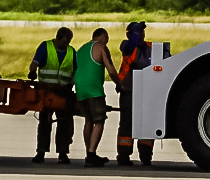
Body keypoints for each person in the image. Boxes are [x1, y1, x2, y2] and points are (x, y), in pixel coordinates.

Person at [29, 26, 76, 164]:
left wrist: (71, 84)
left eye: (67, 43)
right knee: (44, 122)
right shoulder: (45, 47)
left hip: (63, 92)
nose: (65, 45)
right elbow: (34, 64)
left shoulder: (71, 52)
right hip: (46, 92)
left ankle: (63, 153)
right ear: (57, 38)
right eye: (63, 42)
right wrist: (32, 72)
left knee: (64, 122)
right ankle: (41, 152)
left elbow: (75, 71)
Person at [115, 21, 156, 168]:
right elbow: (129, 48)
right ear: (129, 34)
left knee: (147, 124)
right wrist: (134, 34)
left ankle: (146, 157)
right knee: (127, 124)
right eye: (137, 32)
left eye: (142, 32)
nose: (141, 35)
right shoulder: (126, 45)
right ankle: (123, 156)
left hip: (148, 92)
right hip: (128, 90)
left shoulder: (151, 47)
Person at [74, 26, 116, 167]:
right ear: (102, 36)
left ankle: (89, 152)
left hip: (81, 90)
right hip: (94, 90)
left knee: (88, 121)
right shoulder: (100, 47)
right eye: (107, 38)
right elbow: (110, 68)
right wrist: (120, 84)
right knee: (99, 121)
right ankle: (91, 154)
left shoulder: (81, 49)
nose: (107, 42)